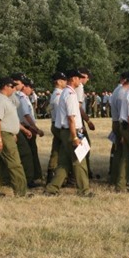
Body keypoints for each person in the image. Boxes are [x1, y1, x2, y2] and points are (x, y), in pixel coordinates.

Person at [45, 69, 94, 198]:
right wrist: (75, 137)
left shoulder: (65, 92)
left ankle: (52, 188)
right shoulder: (71, 95)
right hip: (71, 132)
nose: (80, 80)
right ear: (73, 79)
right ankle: (84, 190)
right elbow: (71, 118)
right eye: (78, 78)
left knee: (64, 163)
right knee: (79, 160)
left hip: (65, 131)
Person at [0, 77, 29, 197]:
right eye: (12, 86)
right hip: (3, 134)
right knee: (15, 163)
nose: (14, 89)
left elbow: (9, 119)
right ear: (5, 86)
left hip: (6, 134)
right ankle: (21, 192)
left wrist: (18, 131)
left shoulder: (6, 100)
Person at [19, 77, 45, 187]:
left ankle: (35, 175)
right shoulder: (22, 98)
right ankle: (30, 178)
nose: (32, 89)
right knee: (29, 154)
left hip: (28, 127)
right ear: (24, 87)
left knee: (32, 152)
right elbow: (26, 115)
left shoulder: (25, 98)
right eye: (30, 87)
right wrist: (35, 128)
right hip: (26, 127)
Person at [108, 72, 129, 186]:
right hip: (120, 123)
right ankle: (119, 178)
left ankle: (114, 176)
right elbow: (123, 114)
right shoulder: (122, 93)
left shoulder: (117, 90)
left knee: (117, 151)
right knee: (122, 152)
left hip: (116, 122)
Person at [46, 72, 67, 184]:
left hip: (55, 124)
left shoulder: (56, 94)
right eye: (64, 80)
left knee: (56, 149)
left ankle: (51, 174)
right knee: (64, 150)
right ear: (59, 82)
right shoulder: (59, 95)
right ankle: (59, 175)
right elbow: (61, 113)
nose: (66, 82)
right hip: (59, 125)